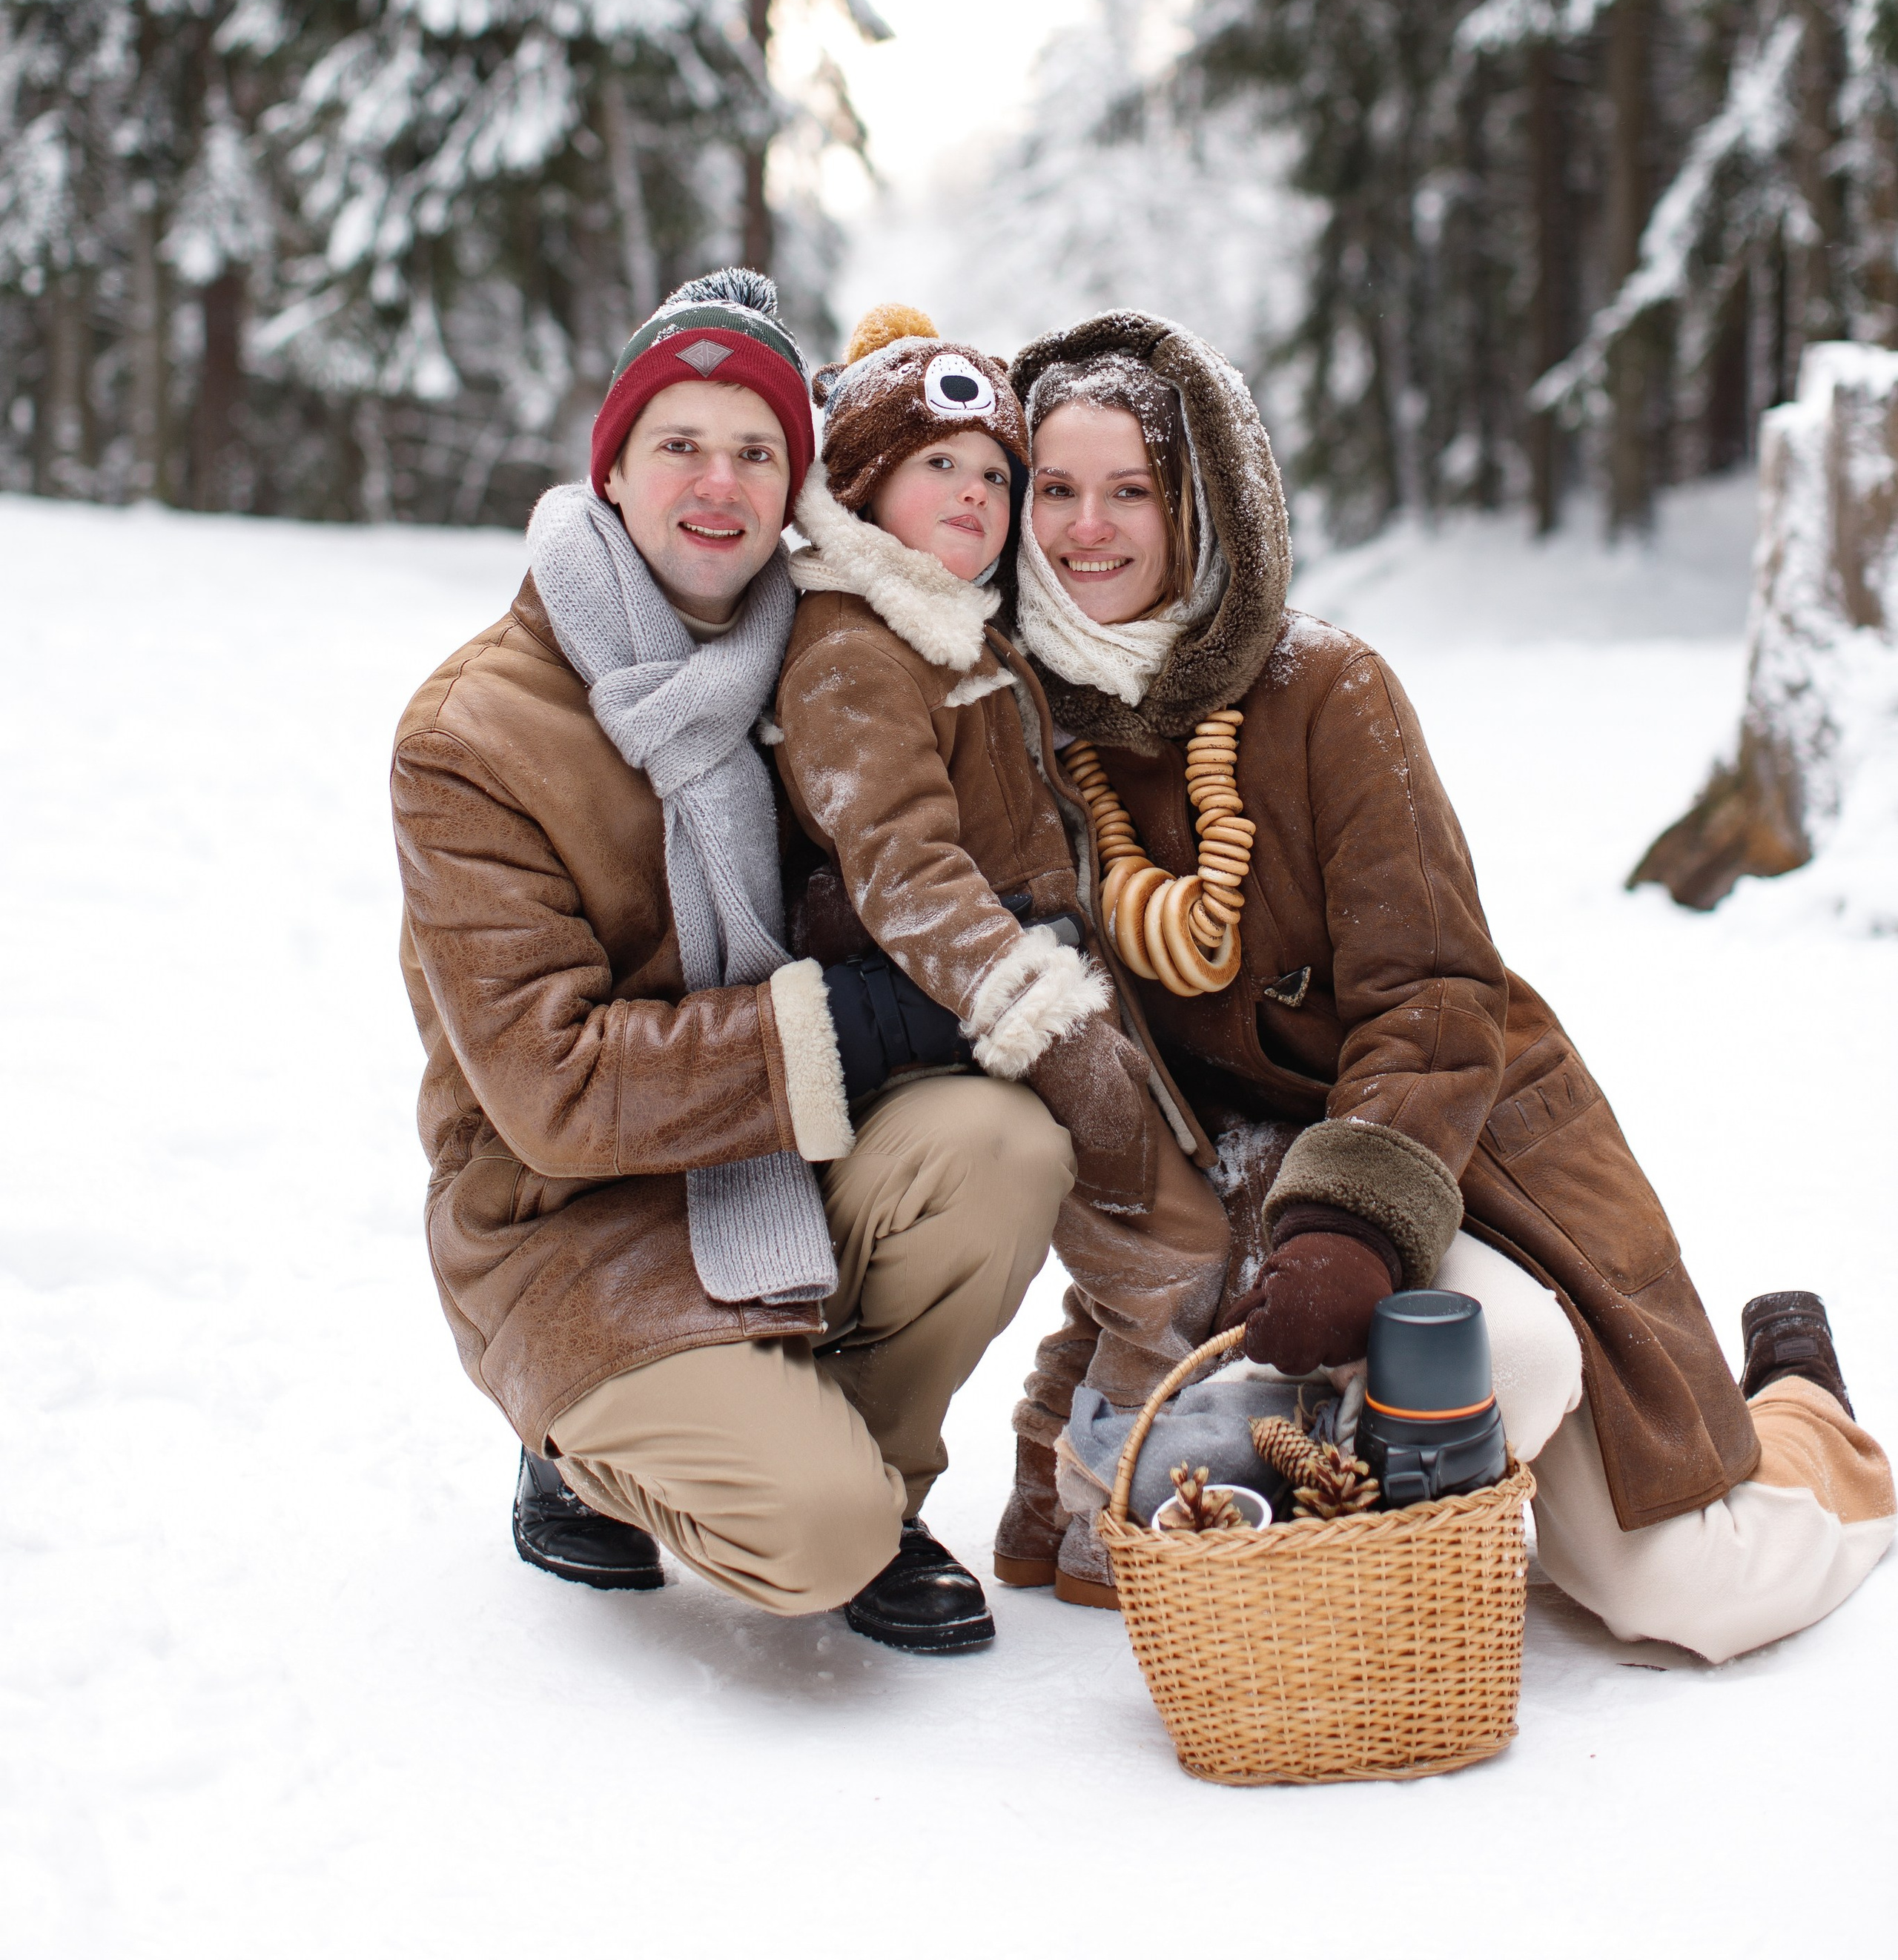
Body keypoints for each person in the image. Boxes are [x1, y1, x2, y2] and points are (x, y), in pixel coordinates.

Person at [993, 310, 1894, 1663]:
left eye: (1132, 488)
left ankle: (1807, 1420)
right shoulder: (1017, 726)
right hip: (1234, 1201)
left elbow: (1435, 995)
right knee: (1359, 1424)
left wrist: (1355, 1225)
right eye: (1055, 489)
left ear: (1200, 500)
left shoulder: (1324, 692)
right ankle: (1415, 1551)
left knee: (1670, 1589)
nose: (1086, 529)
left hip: (1455, 1155)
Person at [391, 269, 1073, 1655]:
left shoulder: (813, 656)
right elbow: (551, 1089)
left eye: (757, 451)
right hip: (570, 1223)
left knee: (1002, 1144)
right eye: (681, 447)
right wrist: (866, 1023)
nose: (720, 485)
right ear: (615, 469)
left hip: (782, 1169)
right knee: (807, 1534)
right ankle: (594, 1453)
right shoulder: (474, 736)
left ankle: (870, 1479)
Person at [774, 305, 1237, 1607]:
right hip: (966, 1029)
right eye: (941, 468)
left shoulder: (953, 629)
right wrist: (1049, 1022)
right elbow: (907, 874)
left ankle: (1049, 1496)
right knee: (1171, 1246)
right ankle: (1117, 1524)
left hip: (1033, 999)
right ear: (863, 483)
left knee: (1149, 1242)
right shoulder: (852, 648)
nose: (978, 495)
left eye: (995, 474)